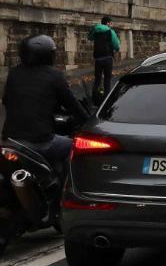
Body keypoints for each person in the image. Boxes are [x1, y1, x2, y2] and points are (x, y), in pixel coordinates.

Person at [1, 35, 90, 178]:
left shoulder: (14, 73)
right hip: (39, 141)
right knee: (74, 147)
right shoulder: (55, 76)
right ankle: (67, 186)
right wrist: (89, 122)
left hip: (10, 140)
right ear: (48, 55)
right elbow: (73, 106)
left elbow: (7, 101)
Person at [88, 15, 120, 103]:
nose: (112, 25)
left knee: (97, 79)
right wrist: (117, 49)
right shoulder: (110, 31)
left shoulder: (96, 29)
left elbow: (89, 37)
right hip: (108, 58)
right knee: (107, 79)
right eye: (111, 23)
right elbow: (116, 45)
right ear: (107, 23)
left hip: (98, 59)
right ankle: (106, 100)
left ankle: (94, 99)